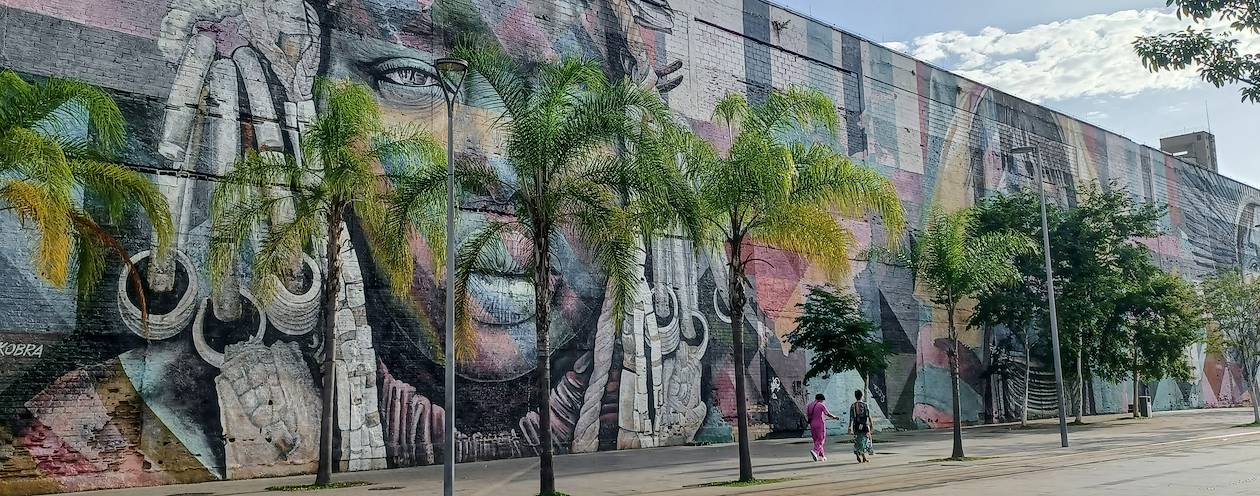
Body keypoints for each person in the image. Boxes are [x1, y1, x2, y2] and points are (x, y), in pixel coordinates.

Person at [806, 393, 839, 461]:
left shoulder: (809, 405)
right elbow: (827, 413)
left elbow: (808, 415)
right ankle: (815, 451)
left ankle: (822, 456)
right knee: (821, 439)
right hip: (820, 424)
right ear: (821, 399)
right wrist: (835, 417)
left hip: (812, 424)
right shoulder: (821, 405)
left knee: (816, 440)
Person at [848, 389, 874, 463]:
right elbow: (868, 415)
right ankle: (863, 455)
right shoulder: (865, 405)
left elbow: (851, 417)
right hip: (864, 425)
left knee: (857, 440)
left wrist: (849, 427)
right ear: (862, 396)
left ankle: (859, 455)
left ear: (855, 396)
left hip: (856, 425)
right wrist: (872, 424)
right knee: (865, 440)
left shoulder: (853, 406)